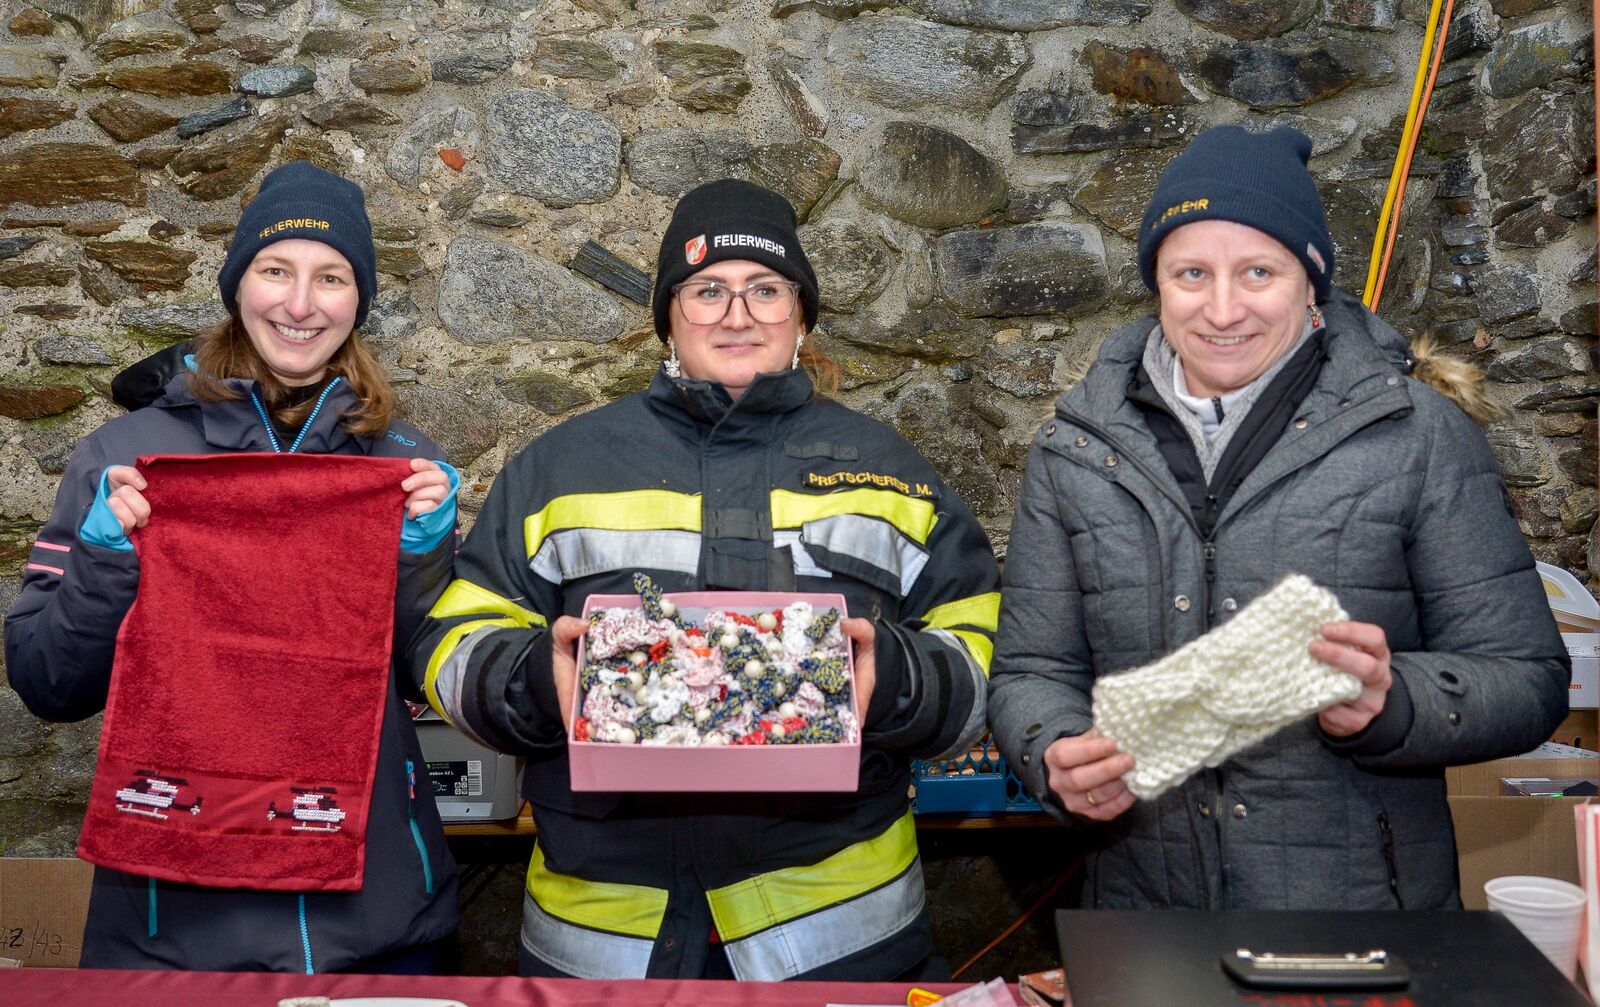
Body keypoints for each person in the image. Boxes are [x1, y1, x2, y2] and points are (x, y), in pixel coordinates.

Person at [410, 178, 1000, 980]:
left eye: (766, 289)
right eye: (708, 290)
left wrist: (894, 677)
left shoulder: (890, 470)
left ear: (800, 316)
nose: (737, 314)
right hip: (605, 944)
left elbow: (984, 643)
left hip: (841, 944)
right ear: (669, 316)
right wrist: (540, 681)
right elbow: (451, 638)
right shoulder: (558, 468)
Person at [987, 125, 1569, 910]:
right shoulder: (1078, 450)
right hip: (1145, 911)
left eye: (1258, 271)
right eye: (1192, 273)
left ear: (1310, 280)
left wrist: (1394, 701)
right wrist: (1052, 748)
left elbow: (1529, 677)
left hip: (1357, 922)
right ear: (1157, 282)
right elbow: (1031, 672)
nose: (1223, 309)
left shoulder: (1417, 435)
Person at [6, 161, 462, 971]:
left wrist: (425, 556)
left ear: (358, 301)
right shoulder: (125, 459)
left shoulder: (403, 464)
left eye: (331, 278)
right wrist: (106, 559)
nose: (300, 303)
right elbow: (47, 683)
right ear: (237, 284)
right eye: (275, 269)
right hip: (178, 935)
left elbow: (431, 679)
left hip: (375, 922)